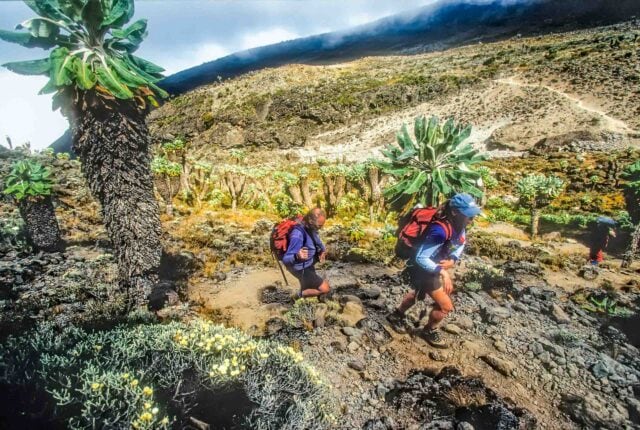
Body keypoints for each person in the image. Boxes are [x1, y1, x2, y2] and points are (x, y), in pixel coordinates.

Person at [387, 193, 482, 348]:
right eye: (468, 216)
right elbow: (421, 258)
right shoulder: (439, 231)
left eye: (472, 216)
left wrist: (453, 259)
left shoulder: (460, 225)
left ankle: (396, 315)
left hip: (431, 267)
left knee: (418, 293)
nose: (472, 219)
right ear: (454, 212)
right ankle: (429, 330)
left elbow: (461, 242)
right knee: (446, 306)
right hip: (424, 269)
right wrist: (443, 272)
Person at [282, 208, 331, 298]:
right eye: (319, 226)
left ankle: (304, 297)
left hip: (308, 264)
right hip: (300, 268)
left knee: (310, 286)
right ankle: (297, 296)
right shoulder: (297, 234)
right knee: (325, 288)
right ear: (310, 220)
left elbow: (316, 240)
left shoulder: (310, 227)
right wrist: (297, 256)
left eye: (322, 226)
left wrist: (322, 250)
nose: (320, 228)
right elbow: (286, 259)